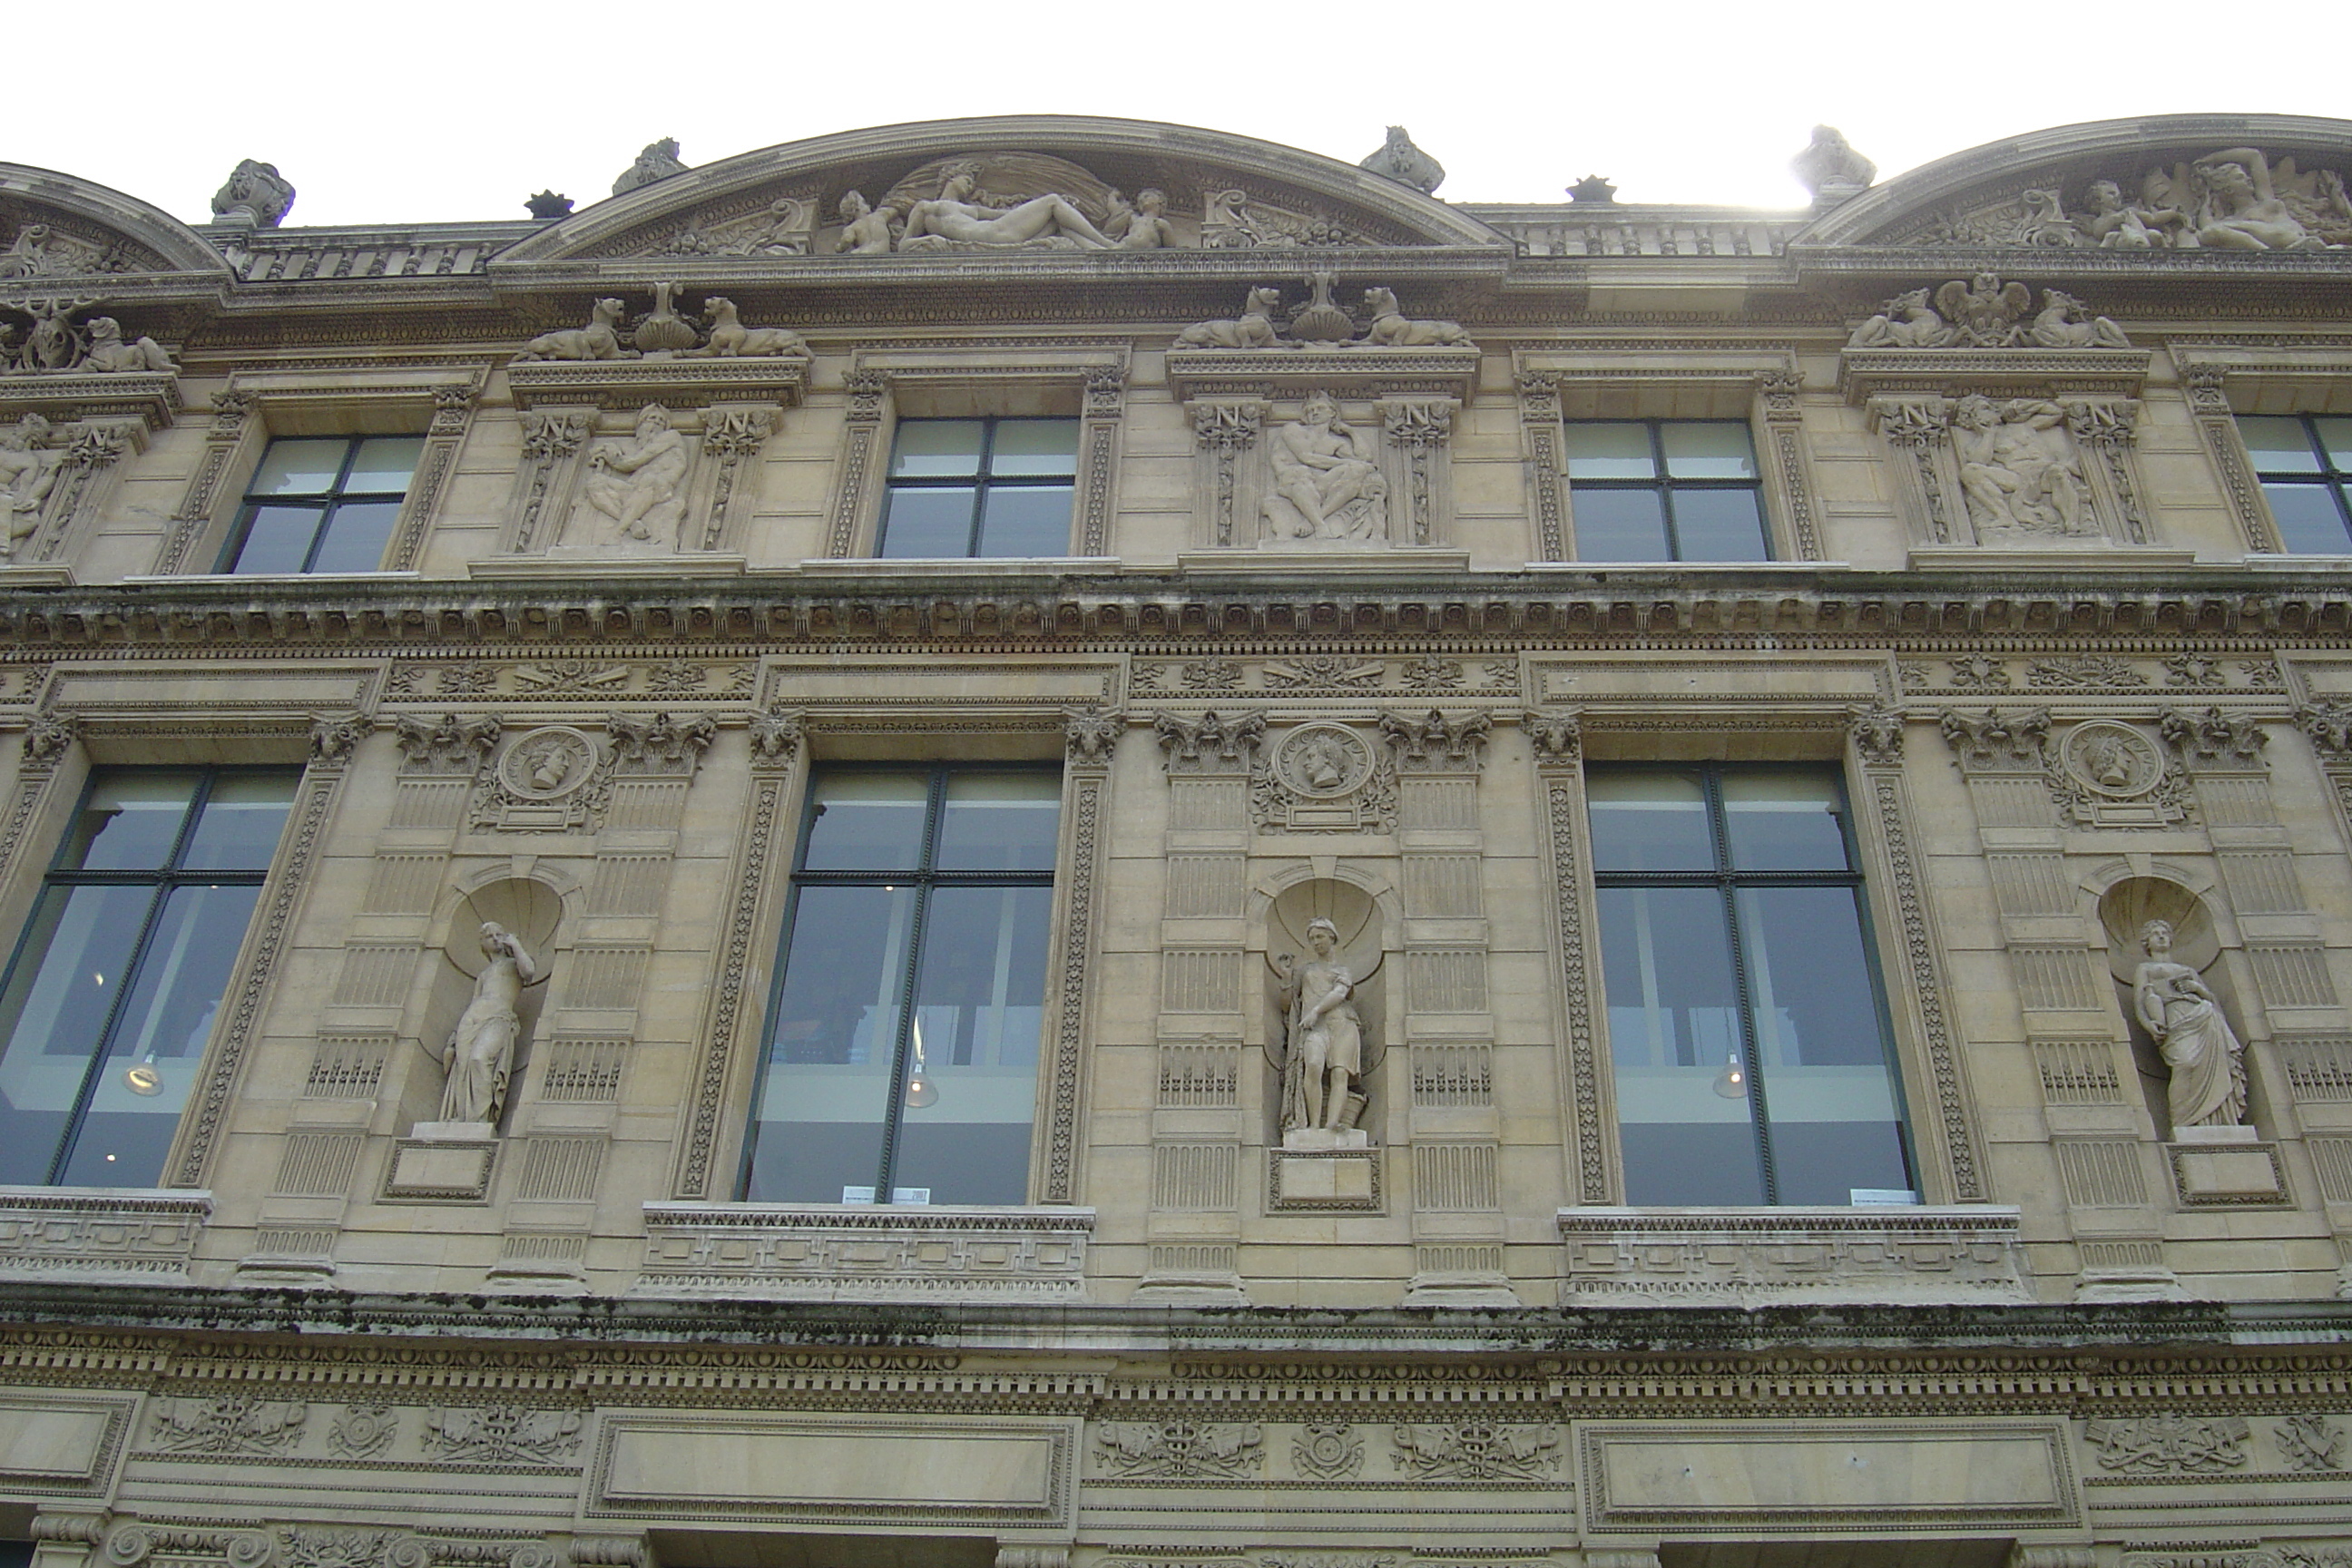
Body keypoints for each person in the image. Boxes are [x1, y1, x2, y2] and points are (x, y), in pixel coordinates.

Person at [2133, 919, 2247, 1130]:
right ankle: (2182, 1122)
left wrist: (2196, 987)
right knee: (2185, 1064)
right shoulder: (2145, 968)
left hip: (2202, 1014)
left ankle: (2217, 1120)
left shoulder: (2187, 970)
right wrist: (2149, 1024)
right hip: (2174, 1019)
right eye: (2155, 934)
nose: (2161, 937)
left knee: (2214, 1064)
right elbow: (2140, 1001)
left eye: (2164, 933)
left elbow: (2211, 1000)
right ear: (2146, 942)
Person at [440, 923, 539, 1125]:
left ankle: (479, 1118)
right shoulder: (484, 975)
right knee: (463, 1068)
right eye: (489, 936)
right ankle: (463, 1116)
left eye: (499, 934)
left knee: (479, 1059)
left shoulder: (514, 964)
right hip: (472, 1020)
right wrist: (455, 1034)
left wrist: (516, 944)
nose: (495, 939)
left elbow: (529, 972)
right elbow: (475, 1001)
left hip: (499, 1018)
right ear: (482, 944)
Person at [899, 162, 1114, 250]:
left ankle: (1101, 250)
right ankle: (1107, 243)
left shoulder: (970, 210)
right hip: (994, 234)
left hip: (997, 230)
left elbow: (1002, 214)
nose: (971, 186)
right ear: (950, 178)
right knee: (1052, 201)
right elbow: (903, 245)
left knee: (1057, 220)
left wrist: (1029, 209)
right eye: (967, 180)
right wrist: (930, 239)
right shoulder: (926, 207)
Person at [1263, 393, 1386, 541]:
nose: (1314, 412)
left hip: (1319, 484)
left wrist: (1351, 432)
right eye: (1310, 410)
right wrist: (1350, 463)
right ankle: (1320, 526)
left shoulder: (1334, 442)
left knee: (1357, 470)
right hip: (1293, 481)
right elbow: (1306, 457)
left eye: (1320, 408)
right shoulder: (1293, 429)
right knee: (1301, 473)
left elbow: (1365, 459)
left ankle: (1314, 519)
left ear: (1332, 412)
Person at [1280, 919, 1364, 1135]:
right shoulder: (1305, 970)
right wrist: (1286, 977)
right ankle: (1313, 1124)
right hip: (1314, 1028)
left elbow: (1339, 993)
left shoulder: (1342, 970)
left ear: (1332, 937)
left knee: (1339, 1073)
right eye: (1311, 939)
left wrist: (1315, 1011)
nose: (1315, 942)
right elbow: (1288, 1004)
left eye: (1319, 937)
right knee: (1314, 1065)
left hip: (1342, 1023)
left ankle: (1332, 1124)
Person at [579, 407, 689, 545]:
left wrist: (610, 454)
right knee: (596, 482)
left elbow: (633, 462)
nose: (656, 423)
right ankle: (632, 524)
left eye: (661, 421)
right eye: (652, 418)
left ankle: (617, 532)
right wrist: (605, 452)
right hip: (636, 488)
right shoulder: (638, 446)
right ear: (641, 423)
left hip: (660, 487)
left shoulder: (671, 436)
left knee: (649, 479)